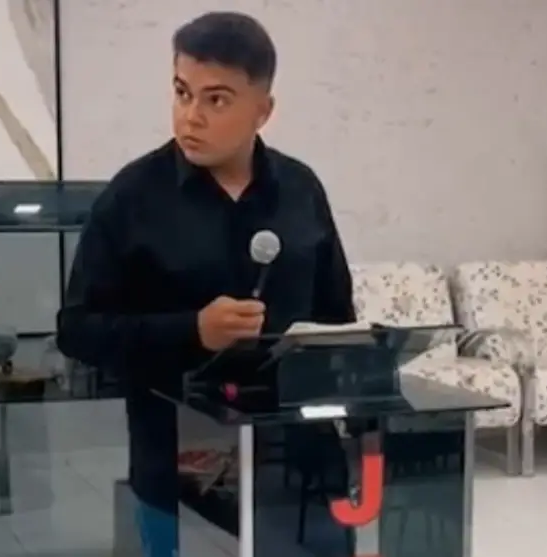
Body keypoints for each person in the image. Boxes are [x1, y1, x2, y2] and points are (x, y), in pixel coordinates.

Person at [56, 10, 355, 557]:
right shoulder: (131, 198)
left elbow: (337, 317)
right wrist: (191, 330)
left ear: (262, 111)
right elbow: (77, 330)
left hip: (298, 474)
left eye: (216, 99)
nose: (190, 116)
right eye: (181, 92)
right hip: (176, 470)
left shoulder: (301, 190)